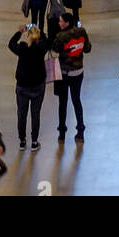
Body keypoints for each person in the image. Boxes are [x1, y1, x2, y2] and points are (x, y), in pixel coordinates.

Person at [7, 22, 50, 150]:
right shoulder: (41, 48)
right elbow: (47, 42)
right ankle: (34, 142)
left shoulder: (22, 48)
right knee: (35, 114)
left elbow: (10, 44)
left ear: (28, 36)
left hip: (22, 87)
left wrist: (20, 31)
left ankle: (22, 141)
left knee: (22, 114)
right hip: (38, 86)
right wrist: (39, 30)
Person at [50, 9, 91, 142]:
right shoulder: (82, 31)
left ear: (67, 23)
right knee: (76, 100)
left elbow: (54, 50)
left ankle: (62, 132)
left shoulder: (61, 36)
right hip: (79, 72)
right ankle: (80, 130)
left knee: (63, 103)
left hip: (64, 74)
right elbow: (87, 48)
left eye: (61, 21)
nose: (59, 23)